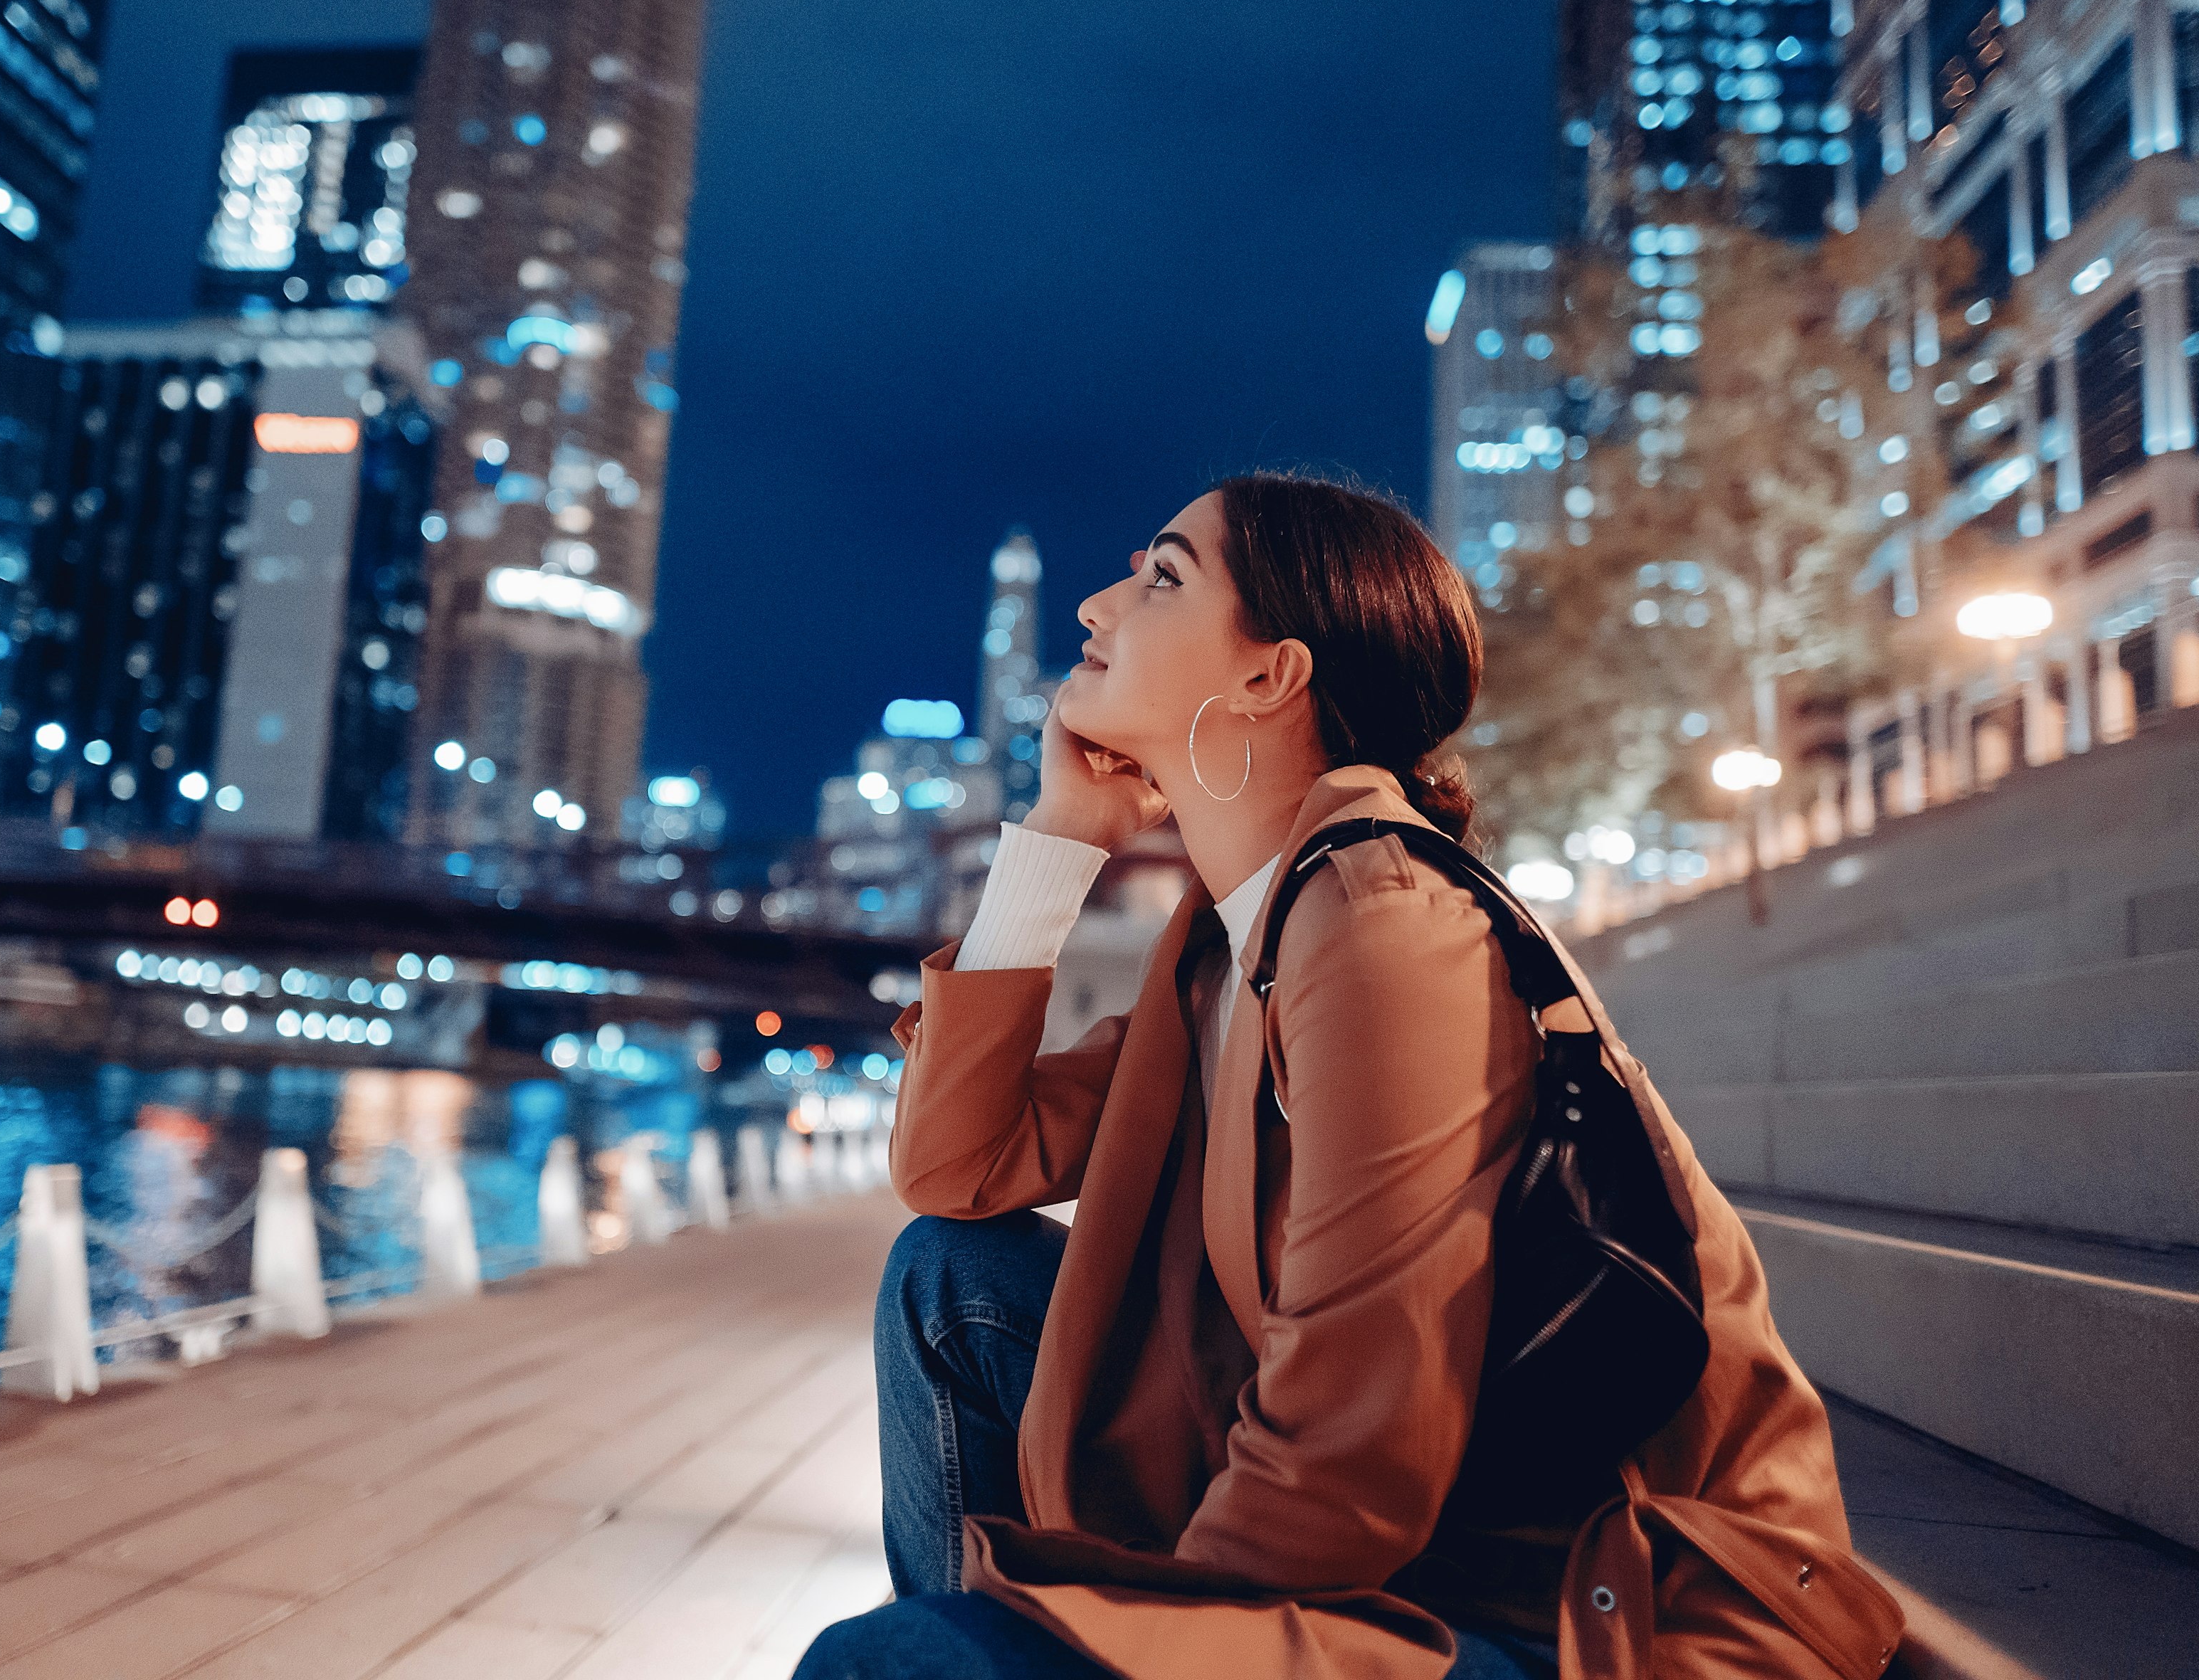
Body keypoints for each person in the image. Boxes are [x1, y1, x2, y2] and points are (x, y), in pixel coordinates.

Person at [796, 474, 1901, 1680]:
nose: (1098, 607)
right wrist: (1060, 841)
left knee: (895, 1666)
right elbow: (957, 1168)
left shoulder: (1383, 923)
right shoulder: (1228, 952)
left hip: (1594, 1610)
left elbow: (1349, 1460)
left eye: (1163, 577)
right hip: (1428, 1552)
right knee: (950, 1282)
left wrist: (1120, 1637)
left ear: (1271, 677)